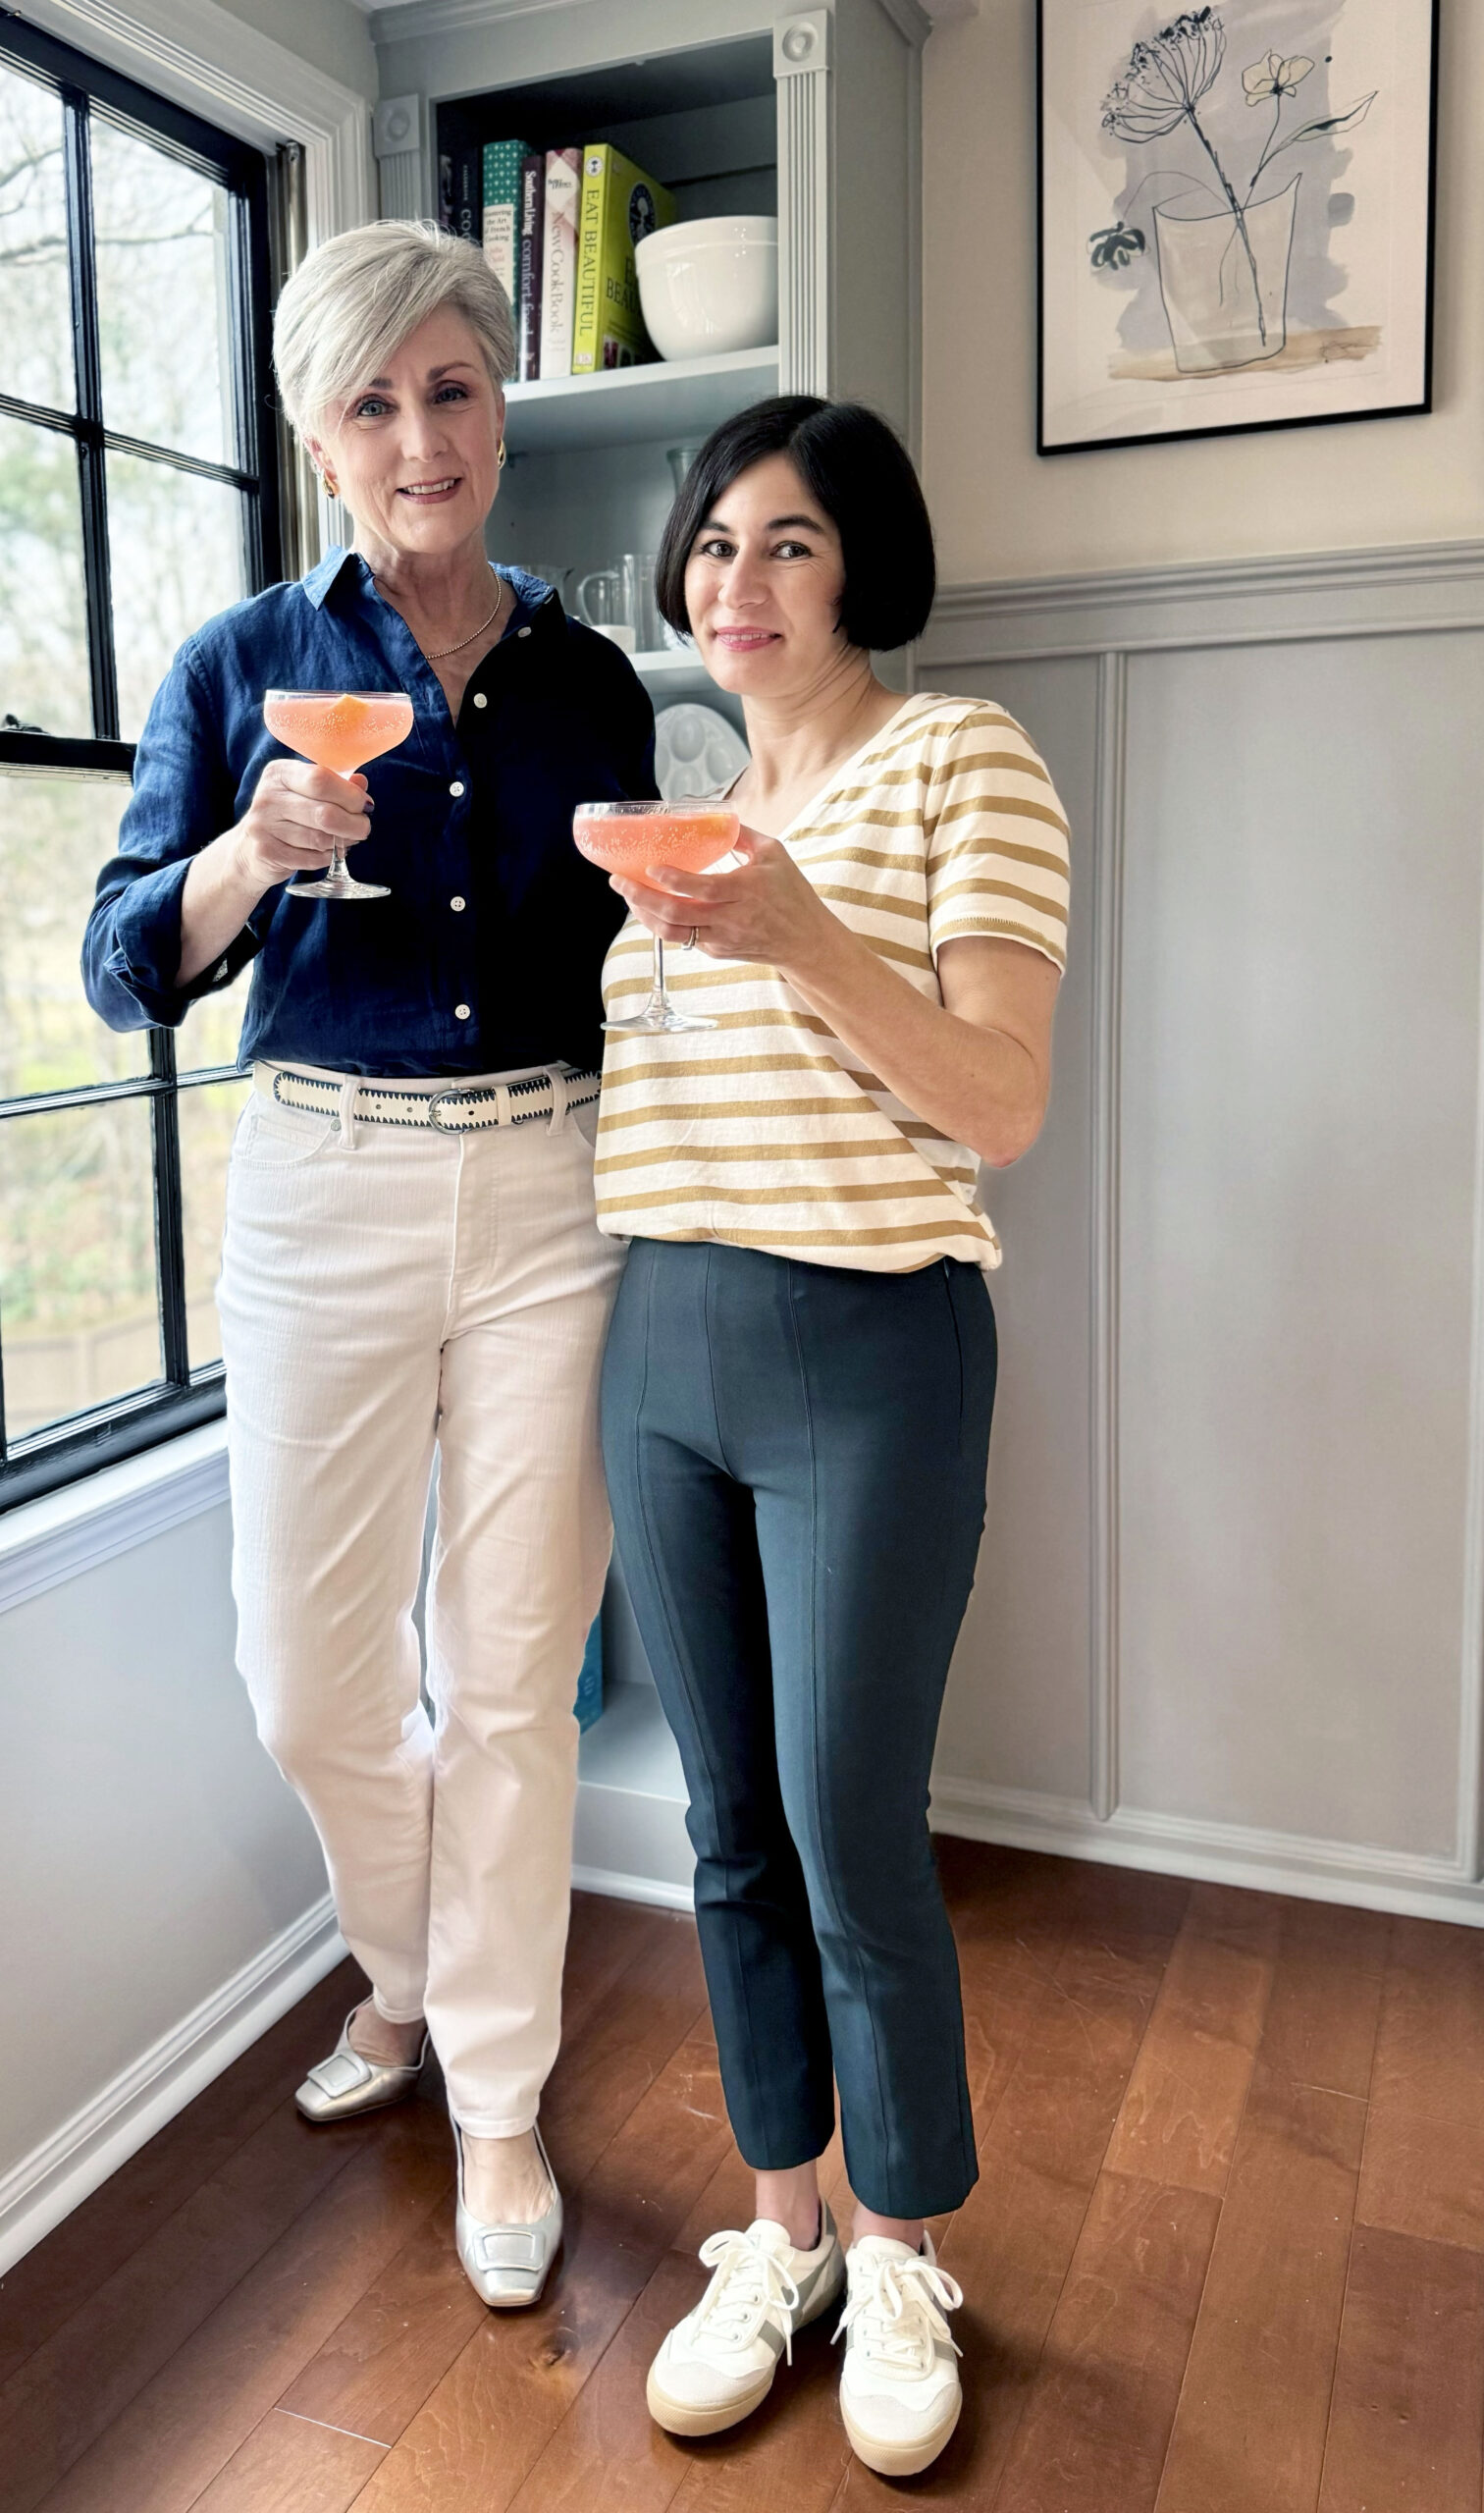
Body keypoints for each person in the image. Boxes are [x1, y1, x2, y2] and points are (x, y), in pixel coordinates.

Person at [82, 221, 655, 2307]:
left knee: (511, 1675)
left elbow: (631, 968)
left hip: (551, 1188)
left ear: (500, 409)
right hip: (320, 1182)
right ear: (317, 441)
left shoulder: (589, 682)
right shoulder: (236, 663)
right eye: (373, 404)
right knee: (308, 1680)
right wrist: (251, 852)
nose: (422, 439)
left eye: (454, 390)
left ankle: (493, 2092)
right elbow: (124, 962)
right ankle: (406, 1971)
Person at [595, 397, 1068, 2474]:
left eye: (787, 541)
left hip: (872, 1342)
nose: (739, 581)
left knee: (847, 1819)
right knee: (726, 1827)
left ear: (861, 562)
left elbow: (1001, 1098)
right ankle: (778, 2228)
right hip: (661, 1335)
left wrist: (799, 933)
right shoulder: (687, 813)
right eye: (714, 544)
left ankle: (899, 2247)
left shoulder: (966, 758)